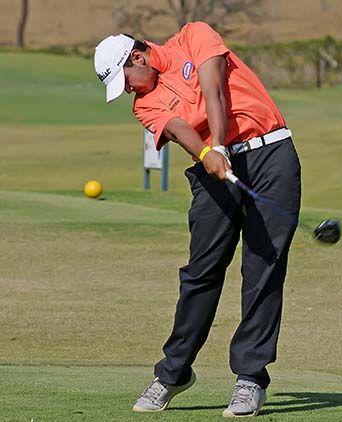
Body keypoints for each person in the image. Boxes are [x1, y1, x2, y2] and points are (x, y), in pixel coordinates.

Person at [93, 22, 301, 418]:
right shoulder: (144, 105)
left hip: (271, 154)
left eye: (127, 82)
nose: (130, 93)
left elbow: (214, 88)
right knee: (201, 272)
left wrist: (219, 143)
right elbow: (177, 126)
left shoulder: (193, 35)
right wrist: (208, 153)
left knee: (263, 269)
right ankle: (173, 373)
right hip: (212, 171)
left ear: (138, 57)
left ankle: (250, 379)